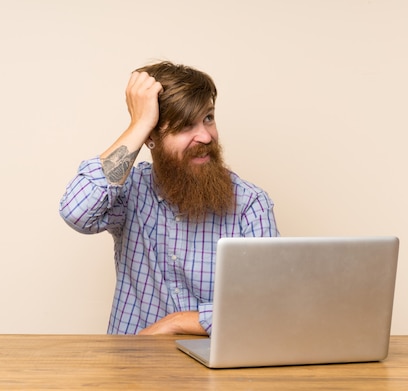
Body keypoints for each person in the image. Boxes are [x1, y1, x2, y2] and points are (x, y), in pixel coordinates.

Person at [59, 61, 279, 336]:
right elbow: (77, 212)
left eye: (208, 118)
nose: (206, 136)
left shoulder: (250, 204)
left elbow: (268, 305)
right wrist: (139, 125)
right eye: (185, 126)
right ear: (150, 136)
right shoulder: (130, 191)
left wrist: (176, 322)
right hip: (132, 368)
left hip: (212, 373)